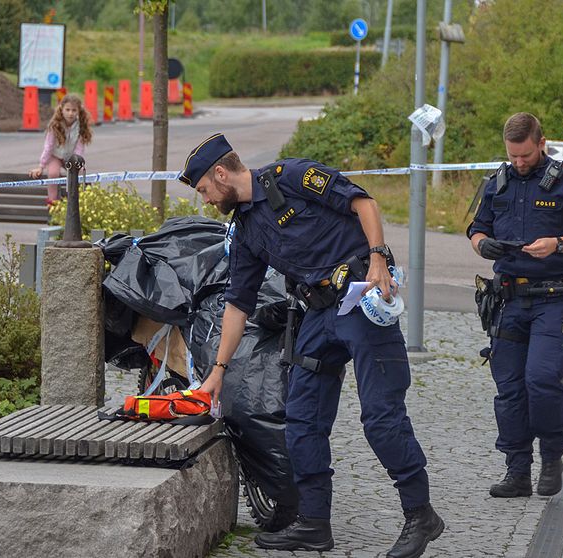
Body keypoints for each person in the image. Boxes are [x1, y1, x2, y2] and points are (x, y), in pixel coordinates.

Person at [180, 134, 443, 558]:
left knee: (381, 417)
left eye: (205, 190)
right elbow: (238, 302)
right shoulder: (246, 229)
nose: (206, 199)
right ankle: (314, 523)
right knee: (301, 419)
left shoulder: (292, 176)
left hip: (361, 301)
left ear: (221, 174)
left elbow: (364, 204)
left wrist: (378, 257)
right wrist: (218, 371)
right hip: (318, 316)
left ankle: (421, 514)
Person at [467, 112, 563, 498]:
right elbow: (476, 228)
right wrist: (481, 244)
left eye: (525, 155)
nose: (519, 162)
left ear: (542, 144)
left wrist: (557, 244)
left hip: (553, 297)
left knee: (541, 379)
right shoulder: (498, 182)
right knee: (509, 387)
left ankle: (551, 456)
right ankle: (517, 470)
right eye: (513, 155)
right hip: (508, 298)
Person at [29, 94, 93, 203]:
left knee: (81, 172)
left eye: (74, 110)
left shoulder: (81, 126)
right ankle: (53, 202)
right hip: (56, 156)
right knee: (53, 173)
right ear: (62, 109)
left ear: (78, 111)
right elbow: (48, 146)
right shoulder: (55, 125)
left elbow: (79, 149)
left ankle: (80, 201)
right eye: (67, 110)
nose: (70, 113)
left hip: (72, 157)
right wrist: (41, 166)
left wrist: (76, 164)